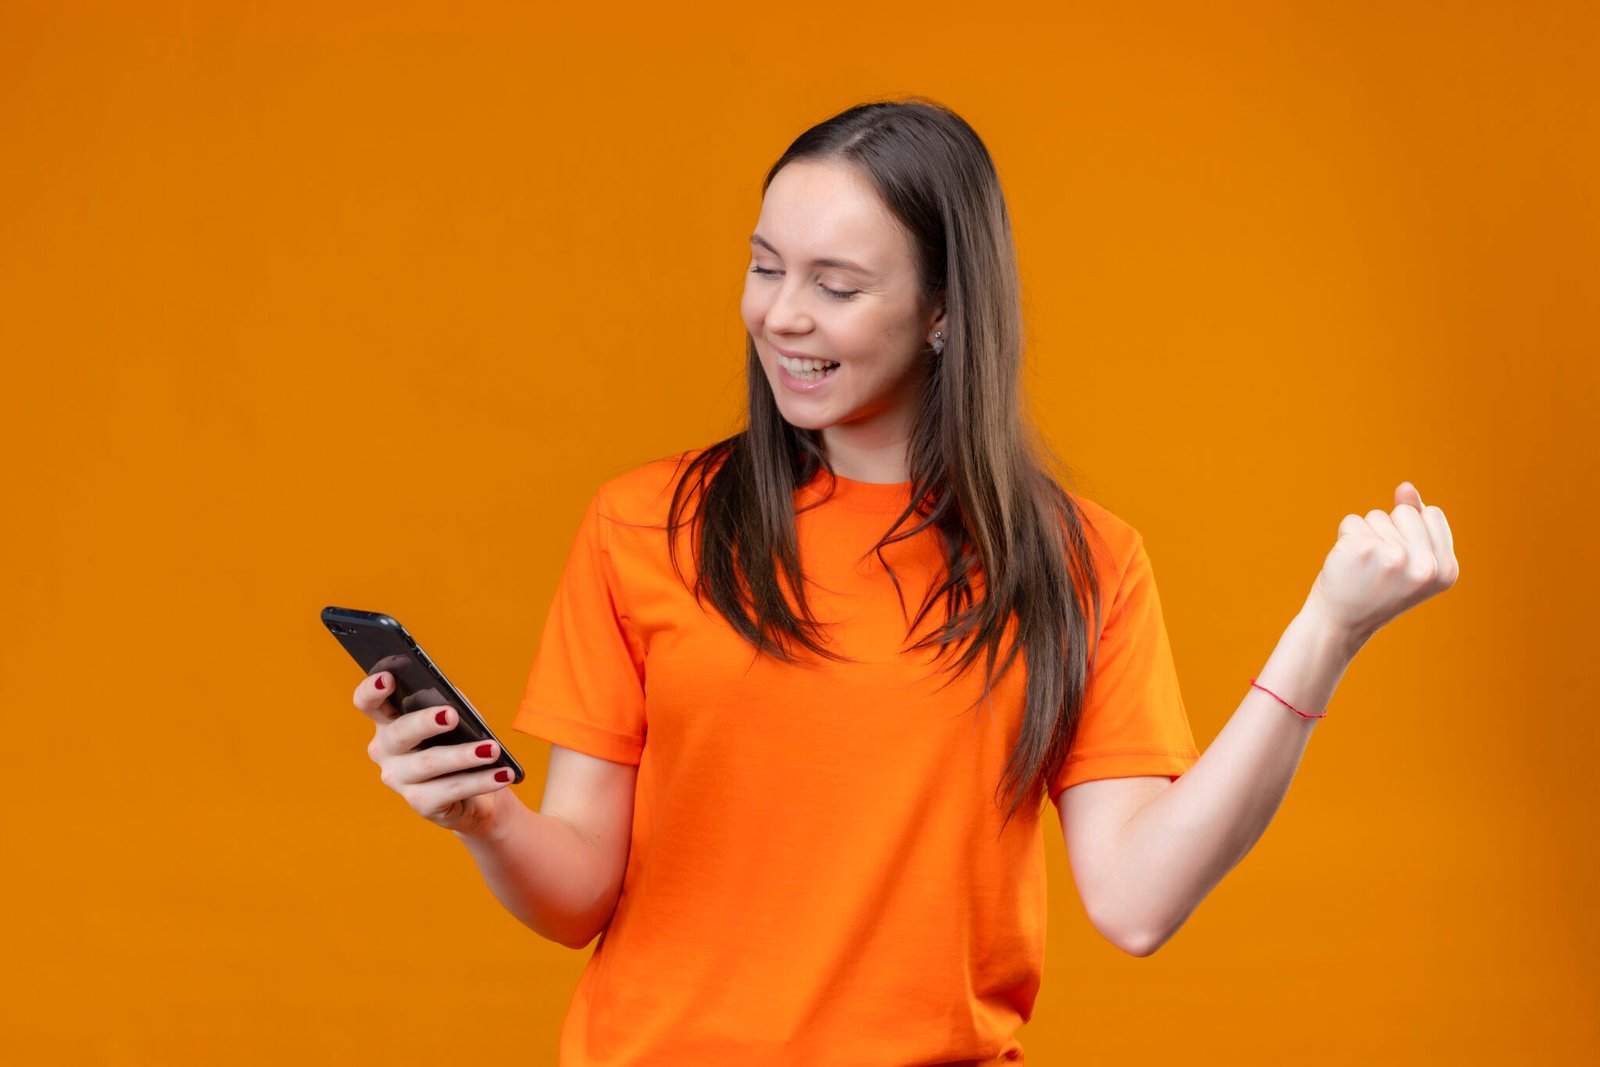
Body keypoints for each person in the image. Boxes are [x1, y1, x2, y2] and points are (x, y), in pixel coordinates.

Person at [352, 98, 1460, 1065]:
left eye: (835, 284)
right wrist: (484, 813)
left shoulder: (1077, 562)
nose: (781, 314)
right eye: (765, 266)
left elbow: (1137, 901)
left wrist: (1328, 629)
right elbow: (579, 891)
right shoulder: (644, 524)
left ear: (943, 311)